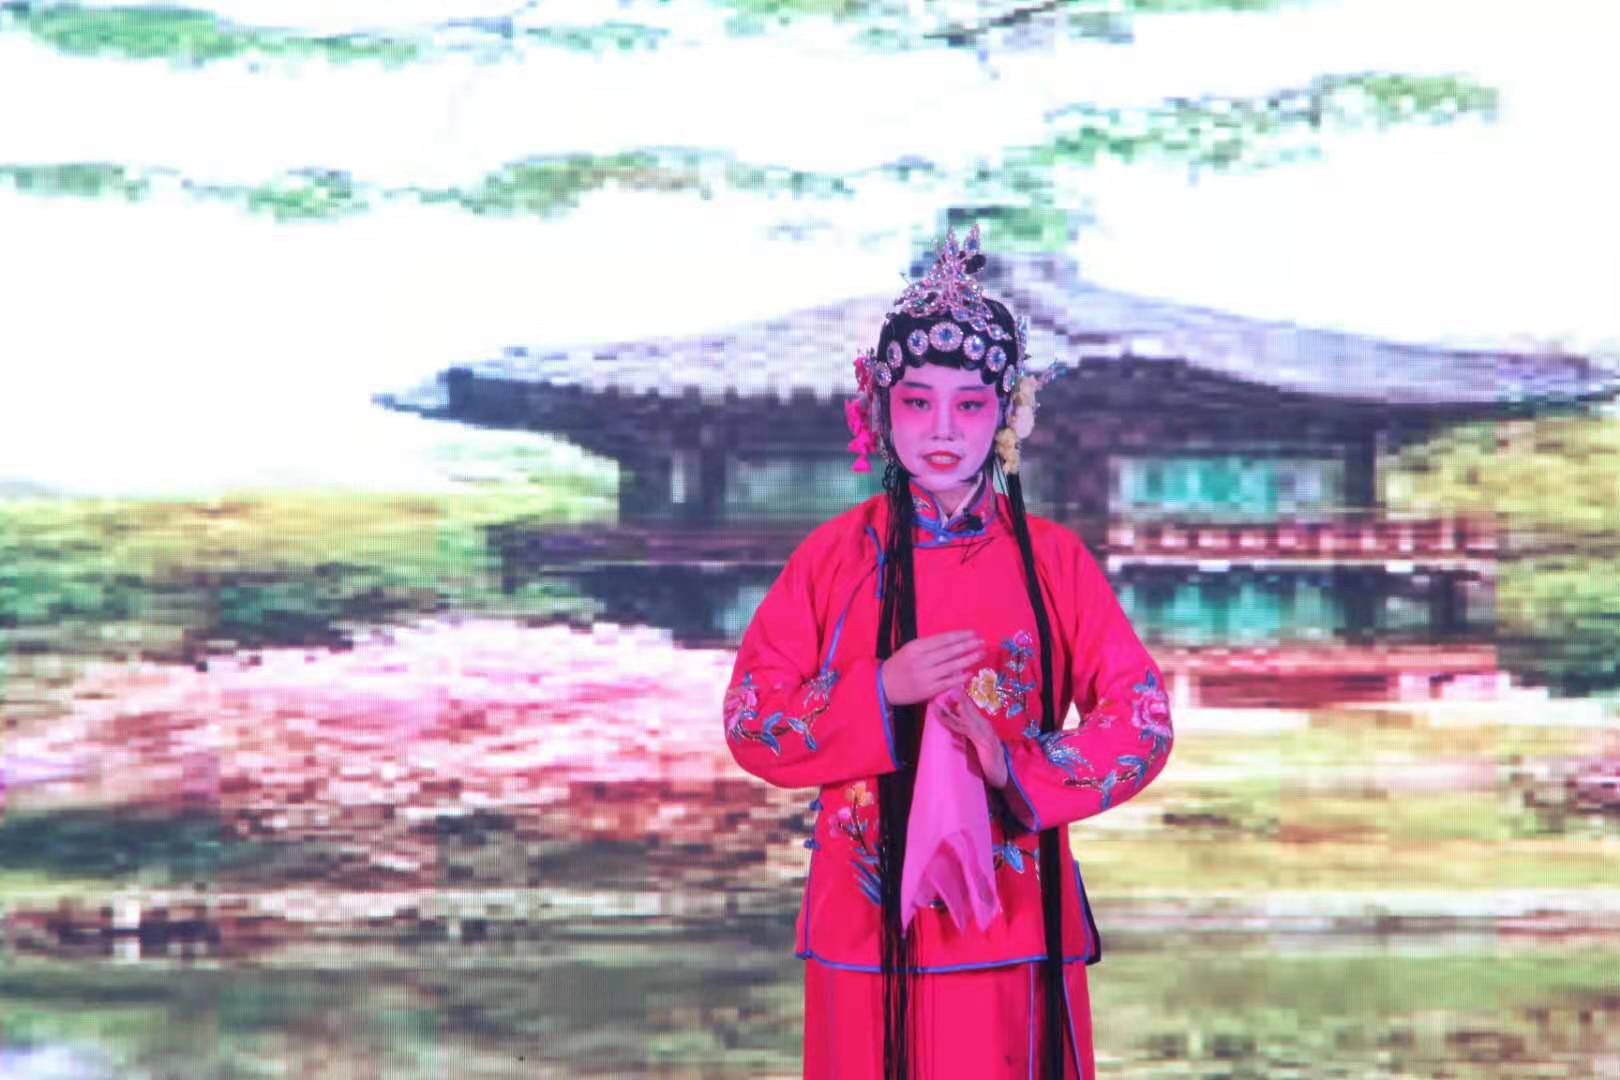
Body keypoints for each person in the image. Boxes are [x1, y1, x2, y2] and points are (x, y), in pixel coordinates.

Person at [722, 224, 1175, 1079]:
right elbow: (752, 717)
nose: (942, 428)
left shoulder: (1053, 561)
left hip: (1014, 914)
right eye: (916, 402)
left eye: (970, 404)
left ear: (1006, 415)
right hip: (865, 917)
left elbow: (1141, 718)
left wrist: (1015, 767)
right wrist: (879, 689)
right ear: (879, 410)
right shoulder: (832, 557)